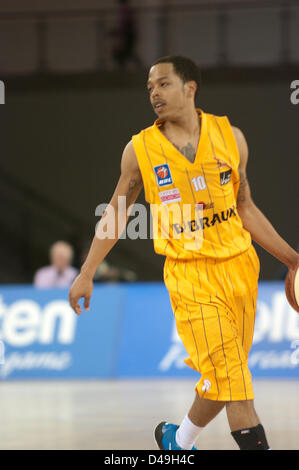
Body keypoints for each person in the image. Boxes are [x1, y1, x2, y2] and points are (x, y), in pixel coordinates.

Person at [68, 55, 299, 450]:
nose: (154, 93)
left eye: (163, 84)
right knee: (235, 381)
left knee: (225, 377)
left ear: (190, 87)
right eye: (150, 88)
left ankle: (177, 440)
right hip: (190, 274)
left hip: (240, 268)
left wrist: (293, 259)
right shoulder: (140, 150)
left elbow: (245, 207)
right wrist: (87, 270)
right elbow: (117, 213)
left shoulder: (231, 137)